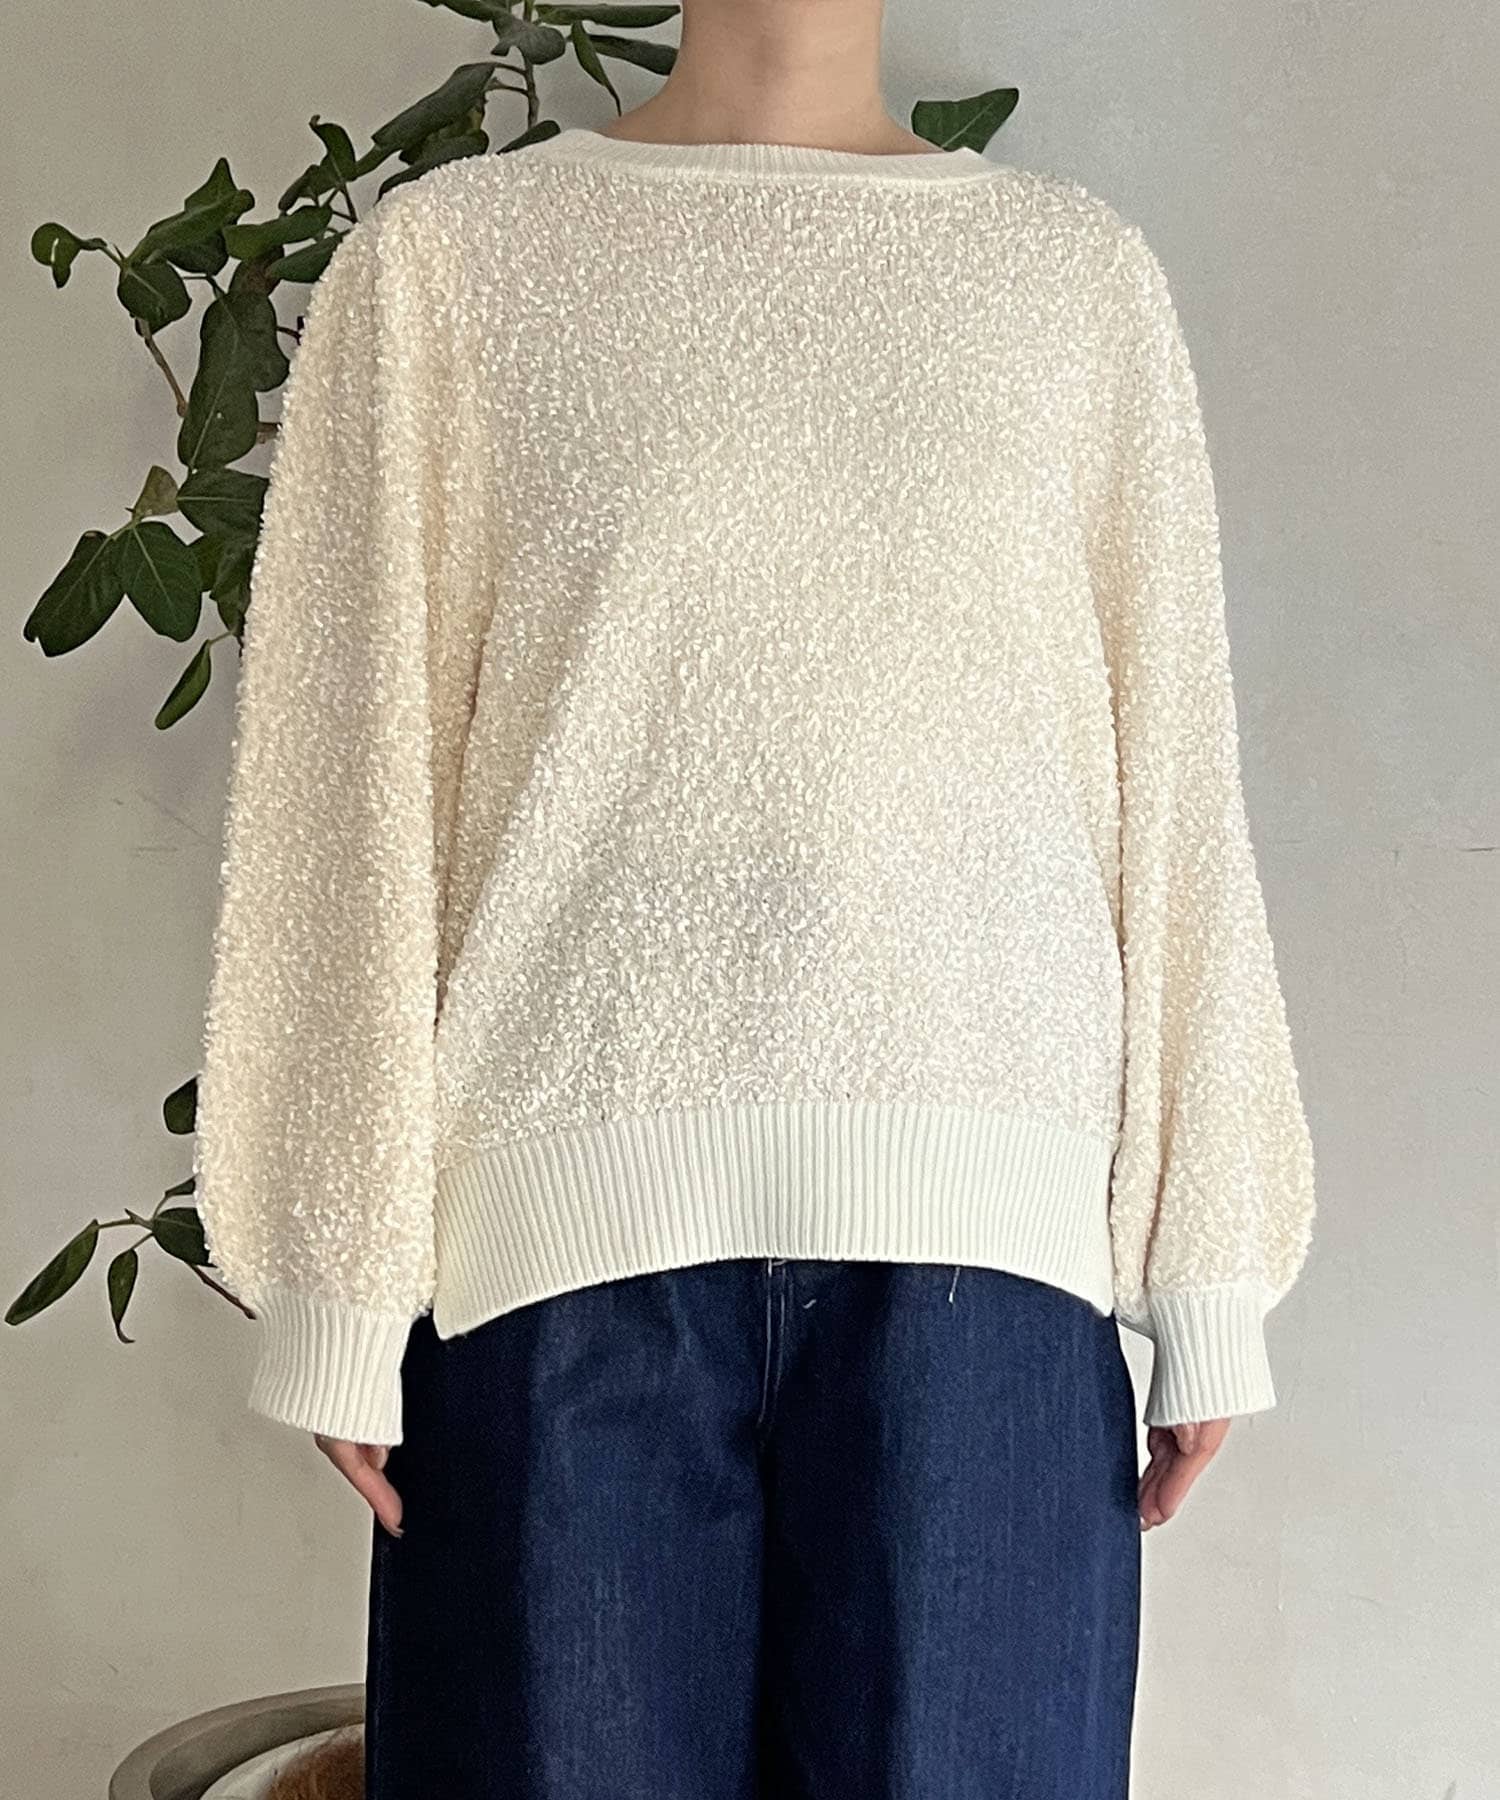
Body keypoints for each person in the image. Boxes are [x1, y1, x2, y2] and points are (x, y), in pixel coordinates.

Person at [192, 0, 1317, 1792]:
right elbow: (349, 777)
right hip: (560, 1266)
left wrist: (1210, 1260)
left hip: (991, 1273)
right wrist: (337, 1272)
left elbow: (1172, 774)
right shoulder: (451, 268)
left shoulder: (1071, 286)